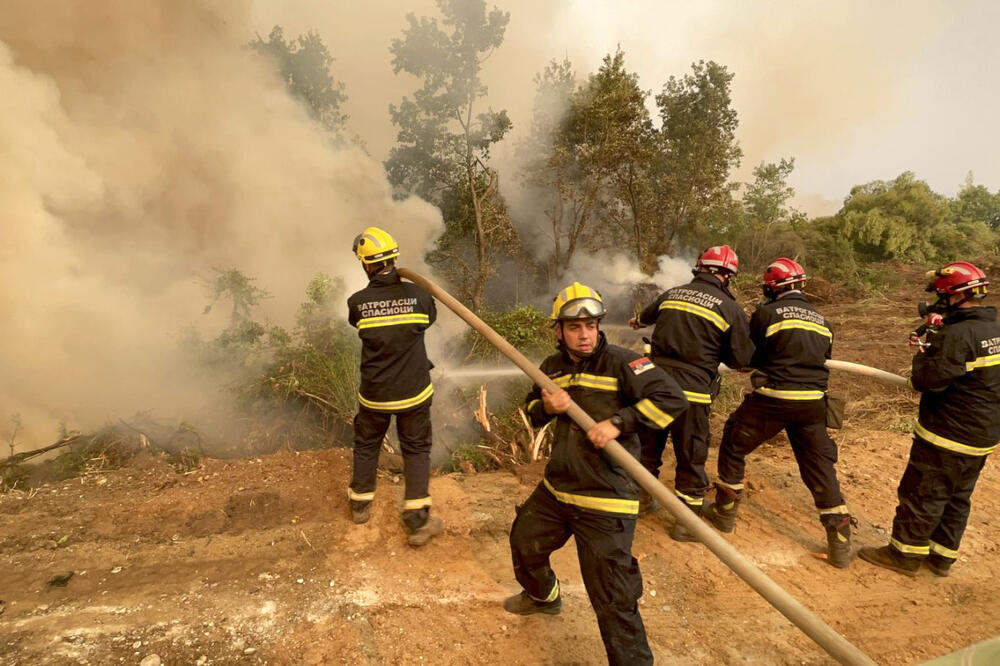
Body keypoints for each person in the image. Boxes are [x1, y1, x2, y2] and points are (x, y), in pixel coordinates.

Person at [504, 282, 689, 666]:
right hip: (559, 489)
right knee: (524, 542)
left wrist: (620, 422)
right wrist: (547, 406)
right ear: (559, 330)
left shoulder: (624, 362)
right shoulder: (551, 368)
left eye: (591, 326)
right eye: (574, 327)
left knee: (613, 597)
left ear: (600, 326)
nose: (584, 334)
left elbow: (672, 399)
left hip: (606, 494)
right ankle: (544, 596)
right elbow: (532, 411)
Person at [704, 258, 855, 568]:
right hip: (813, 403)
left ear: (772, 288)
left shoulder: (767, 313)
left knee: (734, 442)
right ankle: (840, 540)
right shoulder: (823, 321)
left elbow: (747, 355)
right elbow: (823, 358)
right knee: (818, 466)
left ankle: (724, 512)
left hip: (774, 398)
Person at [859, 262, 1000, 577]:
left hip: (947, 434)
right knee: (957, 497)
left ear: (953, 296)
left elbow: (926, 380)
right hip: (983, 436)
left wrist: (924, 348)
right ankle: (941, 558)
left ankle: (904, 555)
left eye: (940, 295)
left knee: (924, 492)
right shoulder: (994, 329)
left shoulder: (957, 335)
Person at [629, 245, 754, 541]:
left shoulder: (672, 293)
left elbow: (640, 320)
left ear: (698, 268)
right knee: (691, 455)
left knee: (648, 448)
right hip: (693, 396)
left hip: (656, 388)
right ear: (728, 277)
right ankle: (686, 523)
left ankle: (640, 500)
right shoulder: (730, 308)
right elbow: (742, 361)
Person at [346, 226, 441, 547]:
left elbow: (357, 322)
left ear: (365, 265)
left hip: (374, 396)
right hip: (414, 393)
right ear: (394, 258)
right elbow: (428, 319)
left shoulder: (357, 303)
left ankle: (360, 505)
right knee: (415, 449)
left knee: (367, 445)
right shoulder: (420, 297)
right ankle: (417, 521)